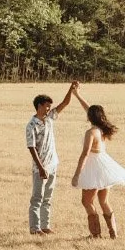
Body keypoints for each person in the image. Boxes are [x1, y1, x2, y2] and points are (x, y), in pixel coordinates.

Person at [69, 91, 125, 239]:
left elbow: (85, 154)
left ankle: (95, 234)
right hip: (104, 168)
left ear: (89, 117)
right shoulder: (101, 129)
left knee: (86, 201)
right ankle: (113, 233)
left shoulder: (91, 132)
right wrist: (77, 95)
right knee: (104, 201)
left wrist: (77, 175)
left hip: (93, 168)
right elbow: (89, 109)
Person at [25, 82, 78, 235]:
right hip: (40, 167)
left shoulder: (49, 119)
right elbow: (31, 147)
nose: (49, 109)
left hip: (53, 164)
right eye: (47, 106)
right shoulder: (31, 125)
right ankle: (35, 228)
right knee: (37, 198)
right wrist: (41, 168)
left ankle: (45, 226)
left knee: (47, 198)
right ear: (39, 106)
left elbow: (65, 103)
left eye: (49, 106)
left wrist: (71, 89)